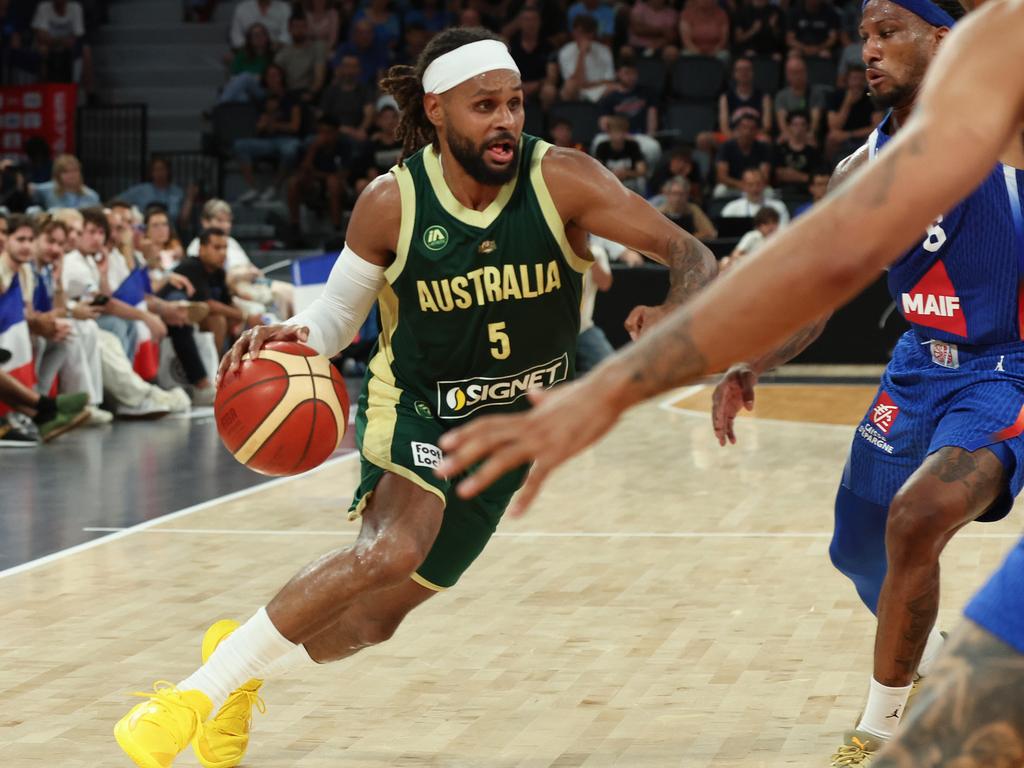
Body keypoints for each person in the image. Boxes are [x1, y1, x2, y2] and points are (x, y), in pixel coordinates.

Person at [434, 2, 1024, 767]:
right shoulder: (866, 165)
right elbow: (819, 280)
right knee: (858, 550)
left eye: (889, 33)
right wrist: (750, 361)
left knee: (918, 517)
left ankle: (879, 728)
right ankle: (930, 657)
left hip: (1007, 368)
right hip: (919, 364)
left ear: (947, 37)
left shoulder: (1007, 114)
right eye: (865, 37)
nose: (870, 50)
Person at [112, 27, 716, 768]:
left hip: (511, 431)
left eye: (516, 104)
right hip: (419, 403)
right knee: (393, 547)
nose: (505, 121)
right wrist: (286, 334)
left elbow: (692, 253)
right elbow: (335, 319)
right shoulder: (389, 204)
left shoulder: (564, 179)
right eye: (484, 105)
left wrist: (677, 311)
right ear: (436, 110)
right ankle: (190, 696)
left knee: (370, 625)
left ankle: (240, 667)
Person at [117, 157, 197, 233]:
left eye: (162, 169)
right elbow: (116, 202)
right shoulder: (140, 190)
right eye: (156, 170)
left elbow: (183, 223)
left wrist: (189, 198)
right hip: (144, 235)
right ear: (151, 173)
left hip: (171, 235)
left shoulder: (177, 192)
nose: (160, 173)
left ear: (168, 171)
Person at [30, 154, 100, 210]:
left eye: (75, 171)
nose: (71, 175)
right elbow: (30, 188)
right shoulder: (48, 189)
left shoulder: (91, 196)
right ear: (57, 175)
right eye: (66, 172)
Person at [721, 168, 790, 224]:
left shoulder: (778, 206)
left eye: (758, 184)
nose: (755, 188)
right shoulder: (731, 208)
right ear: (743, 185)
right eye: (750, 185)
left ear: (764, 185)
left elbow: (783, 232)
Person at [657, 176, 716, 241]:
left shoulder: (694, 210)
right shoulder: (660, 212)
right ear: (667, 194)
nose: (678, 198)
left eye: (681, 194)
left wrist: (687, 239)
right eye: (674, 193)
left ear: (687, 195)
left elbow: (710, 233)